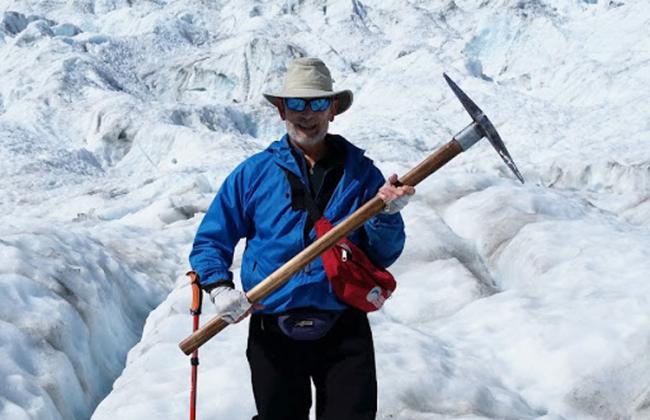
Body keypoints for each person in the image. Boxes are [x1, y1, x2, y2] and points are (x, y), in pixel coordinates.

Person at [189, 57, 415, 420]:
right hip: (273, 324)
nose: (306, 114)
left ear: (333, 109)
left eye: (316, 103)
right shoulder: (253, 174)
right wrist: (218, 287)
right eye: (296, 103)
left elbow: (382, 255)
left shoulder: (362, 174)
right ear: (281, 109)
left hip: (343, 324)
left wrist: (387, 218)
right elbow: (211, 241)